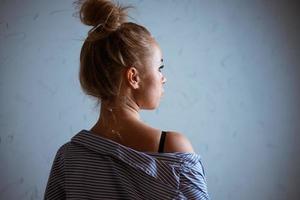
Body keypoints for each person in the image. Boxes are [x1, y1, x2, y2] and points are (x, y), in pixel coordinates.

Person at [44, 0, 210, 199]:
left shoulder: (68, 158)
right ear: (133, 77)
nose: (163, 78)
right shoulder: (172, 150)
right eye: (160, 68)